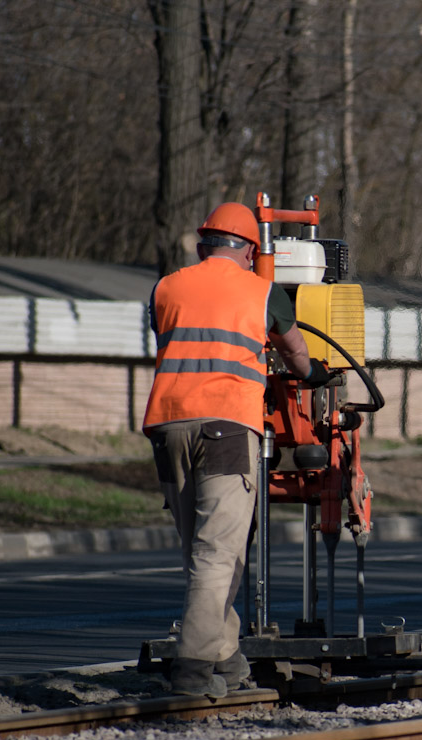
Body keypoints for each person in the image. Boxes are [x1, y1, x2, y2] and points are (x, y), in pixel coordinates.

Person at [142, 202, 331, 696]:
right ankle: (191, 672)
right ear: (251, 250)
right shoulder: (263, 290)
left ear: (204, 245)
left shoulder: (165, 287)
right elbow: (295, 355)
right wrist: (311, 373)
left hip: (168, 425)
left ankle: (228, 662)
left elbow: (175, 340)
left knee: (201, 554)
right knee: (218, 554)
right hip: (226, 426)